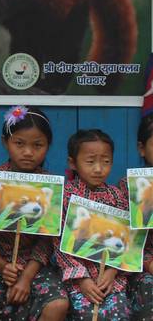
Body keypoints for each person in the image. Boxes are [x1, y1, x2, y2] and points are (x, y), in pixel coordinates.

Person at [0, 106, 68, 321]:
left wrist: (26, 277)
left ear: (48, 146)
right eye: (19, 144)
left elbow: (47, 239)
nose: (28, 152)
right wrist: (1, 266)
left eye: (37, 145)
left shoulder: (49, 185)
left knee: (58, 304)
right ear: (6, 142)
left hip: (35, 267)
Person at [55, 129, 130, 320]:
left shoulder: (117, 197)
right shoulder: (65, 197)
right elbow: (59, 243)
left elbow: (127, 238)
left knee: (119, 313)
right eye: (90, 162)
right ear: (73, 163)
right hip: (78, 280)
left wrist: (113, 271)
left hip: (110, 279)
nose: (98, 168)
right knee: (85, 314)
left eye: (106, 162)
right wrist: (83, 279)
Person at [117, 113, 153, 321]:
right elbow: (123, 239)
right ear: (141, 148)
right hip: (143, 269)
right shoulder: (127, 188)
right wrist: (148, 263)